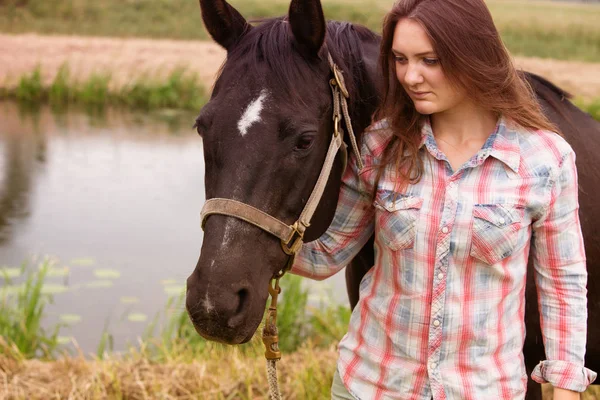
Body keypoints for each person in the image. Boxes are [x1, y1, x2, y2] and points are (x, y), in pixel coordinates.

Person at [289, 0, 597, 399]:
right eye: (400, 59)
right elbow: (326, 254)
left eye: (428, 60)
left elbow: (563, 282)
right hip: (373, 385)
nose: (410, 76)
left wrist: (566, 387)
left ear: (472, 54)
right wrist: (243, 228)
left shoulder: (544, 159)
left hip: (484, 389)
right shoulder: (380, 148)